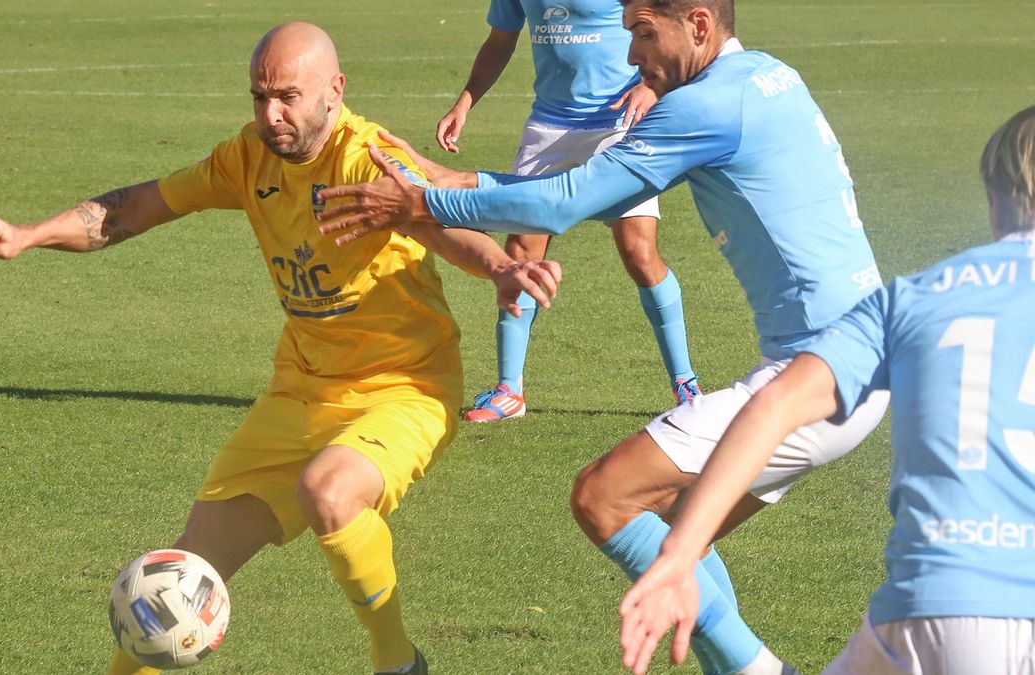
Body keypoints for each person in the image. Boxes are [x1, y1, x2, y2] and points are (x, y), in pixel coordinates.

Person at [0, 22, 561, 675]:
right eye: (258, 97)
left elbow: (439, 225)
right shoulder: (247, 159)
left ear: (335, 91)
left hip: (405, 387)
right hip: (300, 392)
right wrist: (27, 235)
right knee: (175, 586)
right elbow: (133, 208)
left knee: (328, 492)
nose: (270, 115)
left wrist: (500, 268)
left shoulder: (371, 157)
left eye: (287, 97)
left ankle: (396, 661)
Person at [315, 1, 891, 672]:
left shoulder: (703, 108)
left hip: (817, 374)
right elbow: (580, 192)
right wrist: (450, 180)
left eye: (645, 34)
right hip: (856, 358)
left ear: (699, 25)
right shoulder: (766, 77)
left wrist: (429, 202)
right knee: (678, 537)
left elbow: (562, 203)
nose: (632, 58)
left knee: (605, 496)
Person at [618, 106, 1035, 675]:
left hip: (928, 606)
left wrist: (680, 551)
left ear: (994, 202)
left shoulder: (914, 296)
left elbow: (776, 403)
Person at [437, 0, 700, 423]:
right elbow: (500, 40)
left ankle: (686, 385)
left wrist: (653, 85)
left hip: (618, 125)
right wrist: (465, 101)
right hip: (549, 130)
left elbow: (670, 30)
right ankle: (510, 391)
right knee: (522, 253)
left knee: (639, 254)